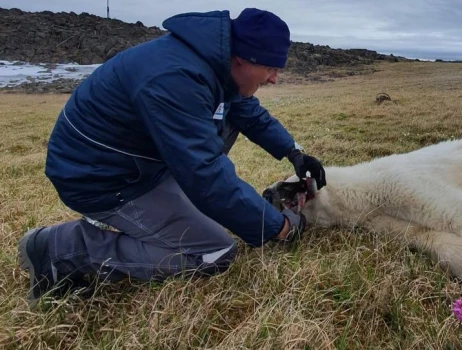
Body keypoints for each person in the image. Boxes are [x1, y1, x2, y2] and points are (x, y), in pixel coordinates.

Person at [17, 8, 327, 302]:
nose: (274, 78)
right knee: (213, 251)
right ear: (242, 58)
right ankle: (59, 249)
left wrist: (295, 153)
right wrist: (277, 227)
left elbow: (248, 113)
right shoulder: (176, 78)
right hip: (99, 177)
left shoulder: (215, 65)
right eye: (271, 68)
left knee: (229, 124)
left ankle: (179, 204)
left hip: (135, 163)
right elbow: (204, 173)